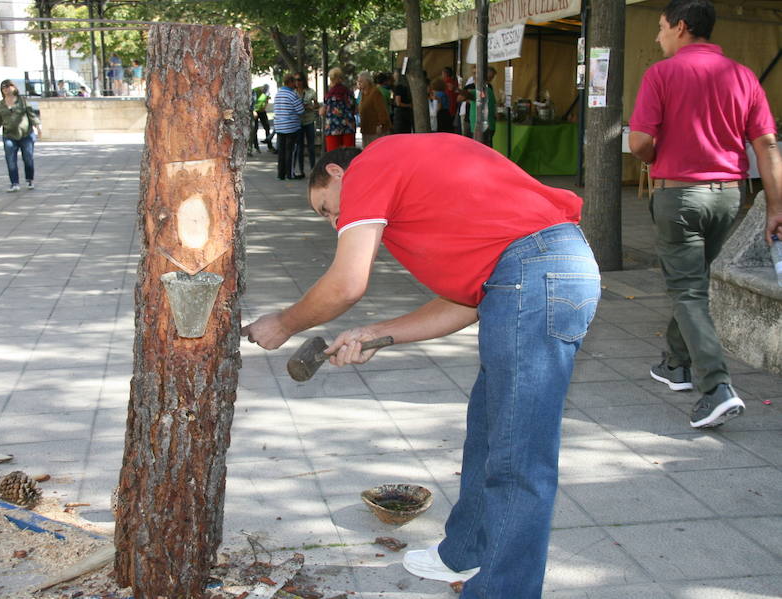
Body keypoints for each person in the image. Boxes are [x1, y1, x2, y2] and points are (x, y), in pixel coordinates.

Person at [242, 135, 600, 598]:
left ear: (336, 173)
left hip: (540, 274)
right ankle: (464, 552)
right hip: (532, 276)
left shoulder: (370, 165)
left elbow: (348, 282)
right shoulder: (414, 182)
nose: (336, 224)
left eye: (327, 210)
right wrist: (375, 334)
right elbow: (468, 303)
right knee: (490, 432)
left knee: (519, 458)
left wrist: (284, 323)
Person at [629, 0, 781, 428]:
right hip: (728, 198)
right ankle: (675, 363)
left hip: (679, 197)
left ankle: (716, 387)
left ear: (681, 27)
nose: (657, 37)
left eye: (660, 28)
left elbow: (640, 141)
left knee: (688, 290)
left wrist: (660, 155)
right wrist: (776, 207)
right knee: (694, 282)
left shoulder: (661, 73)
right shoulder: (744, 76)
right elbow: (767, 145)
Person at [0, 79, 41, 192]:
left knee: (28, 158)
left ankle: (29, 179)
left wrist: (38, 127)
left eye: (9, 86)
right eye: (4, 87)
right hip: (9, 135)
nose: (6, 89)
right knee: (10, 159)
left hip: (26, 134)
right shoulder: (0, 104)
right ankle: (14, 183)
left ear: (14, 87)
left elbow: (31, 115)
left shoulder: (22, 101)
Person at [273, 73, 305, 180]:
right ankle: (290, 174)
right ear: (290, 82)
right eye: (294, 82)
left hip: (279, 126)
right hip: (291, 127)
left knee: (281, 151)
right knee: (290, 151)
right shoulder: (292, 95)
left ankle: (280, 174)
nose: (296, 84)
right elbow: (300, 111)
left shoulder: (278, 94)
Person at [320, 67, 357, 151]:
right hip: (348, 127)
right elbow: (354, 109)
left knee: (333, 156)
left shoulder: (329, 95)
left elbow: (323, 111)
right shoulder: (348, 92)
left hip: (332, 127)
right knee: (349, 155)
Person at [356, 71, 391, 147]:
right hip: (366, 129)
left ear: (367, 81)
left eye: (361, 81)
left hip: (375, 130)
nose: (359, 83)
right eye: (358, 81)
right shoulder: (362, 93)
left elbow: (381, 110)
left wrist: (381, 124)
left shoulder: (375, 92)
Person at [294, 71, 318, 177]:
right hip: (298, 122)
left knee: (311, 146)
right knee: (299, 147)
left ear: (303, 81)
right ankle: (301, 170)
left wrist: (310, 107)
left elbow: (317, 105)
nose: (297, 82)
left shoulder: (310, 92)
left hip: (309, 121)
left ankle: (313, 169)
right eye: (295, 80)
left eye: (299, 80)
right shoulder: (293, 92)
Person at [253, 84, 275, 152]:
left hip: (262, 111)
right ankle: (256, 147)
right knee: (255, 129)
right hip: (255, 111)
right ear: (261, 88)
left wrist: (265, 106)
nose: (263, 93)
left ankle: (270, 146)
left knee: (267, 127)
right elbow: (252, 101)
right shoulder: (255, 91)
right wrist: (253, 111)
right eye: (263, 91)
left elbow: (267, 99)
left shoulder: (266, 92)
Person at [482, 67, 497, 146]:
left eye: (492, 77)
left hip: (489, 122)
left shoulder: (489, 86)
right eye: (491, 76)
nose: (491, 78)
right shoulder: (481, 86)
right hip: (484, 122)